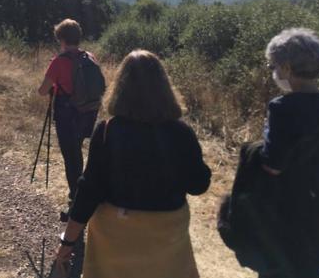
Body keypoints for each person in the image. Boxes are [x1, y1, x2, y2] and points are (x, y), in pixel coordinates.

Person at [54, 50, 211, 278]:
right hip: (167, 236)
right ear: (164, 87)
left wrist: (67, 243)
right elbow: (199, 185)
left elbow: (88, 191)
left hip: (115, 238)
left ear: (121, 87)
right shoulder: (180, 132)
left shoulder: (107, 131)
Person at [254, 28, 319, 278]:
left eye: (273, 66)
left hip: (286, 214)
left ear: (286, 68)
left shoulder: (282, 108)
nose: (273, 72)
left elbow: (273, 165)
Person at [38, 19, 104, 220]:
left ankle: (77, 203)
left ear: (62, 39)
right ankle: (78, 197)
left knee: (71, 160)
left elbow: (42, 91)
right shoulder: (89, 57)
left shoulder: (59, 62)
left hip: (68, 116)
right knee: (77, 154)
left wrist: (52, 86)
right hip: (88, 113)